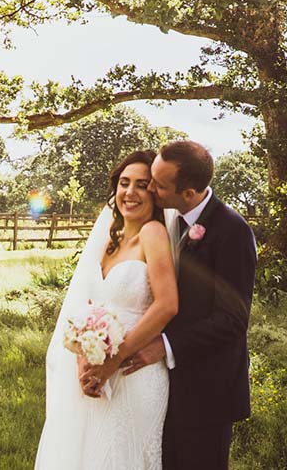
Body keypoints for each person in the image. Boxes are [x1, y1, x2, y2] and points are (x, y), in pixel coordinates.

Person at [34, 150, 178, 470]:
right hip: (96, 369)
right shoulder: (110, 240)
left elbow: (167, 305)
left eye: (142, 185)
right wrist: (84, 358)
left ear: (155, 193)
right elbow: (88, 305)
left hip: (134, 371)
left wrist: (113, 361)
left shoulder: (152, 234)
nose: (130, 192)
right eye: (124, 183)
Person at [125, 140, 256, 470]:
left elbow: (232, 320)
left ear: (189, 192)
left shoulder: (232, 231)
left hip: (208, 389)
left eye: (159, 184)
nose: (151, 188)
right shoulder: (171, 219)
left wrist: (164, 347)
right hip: (168, 386)